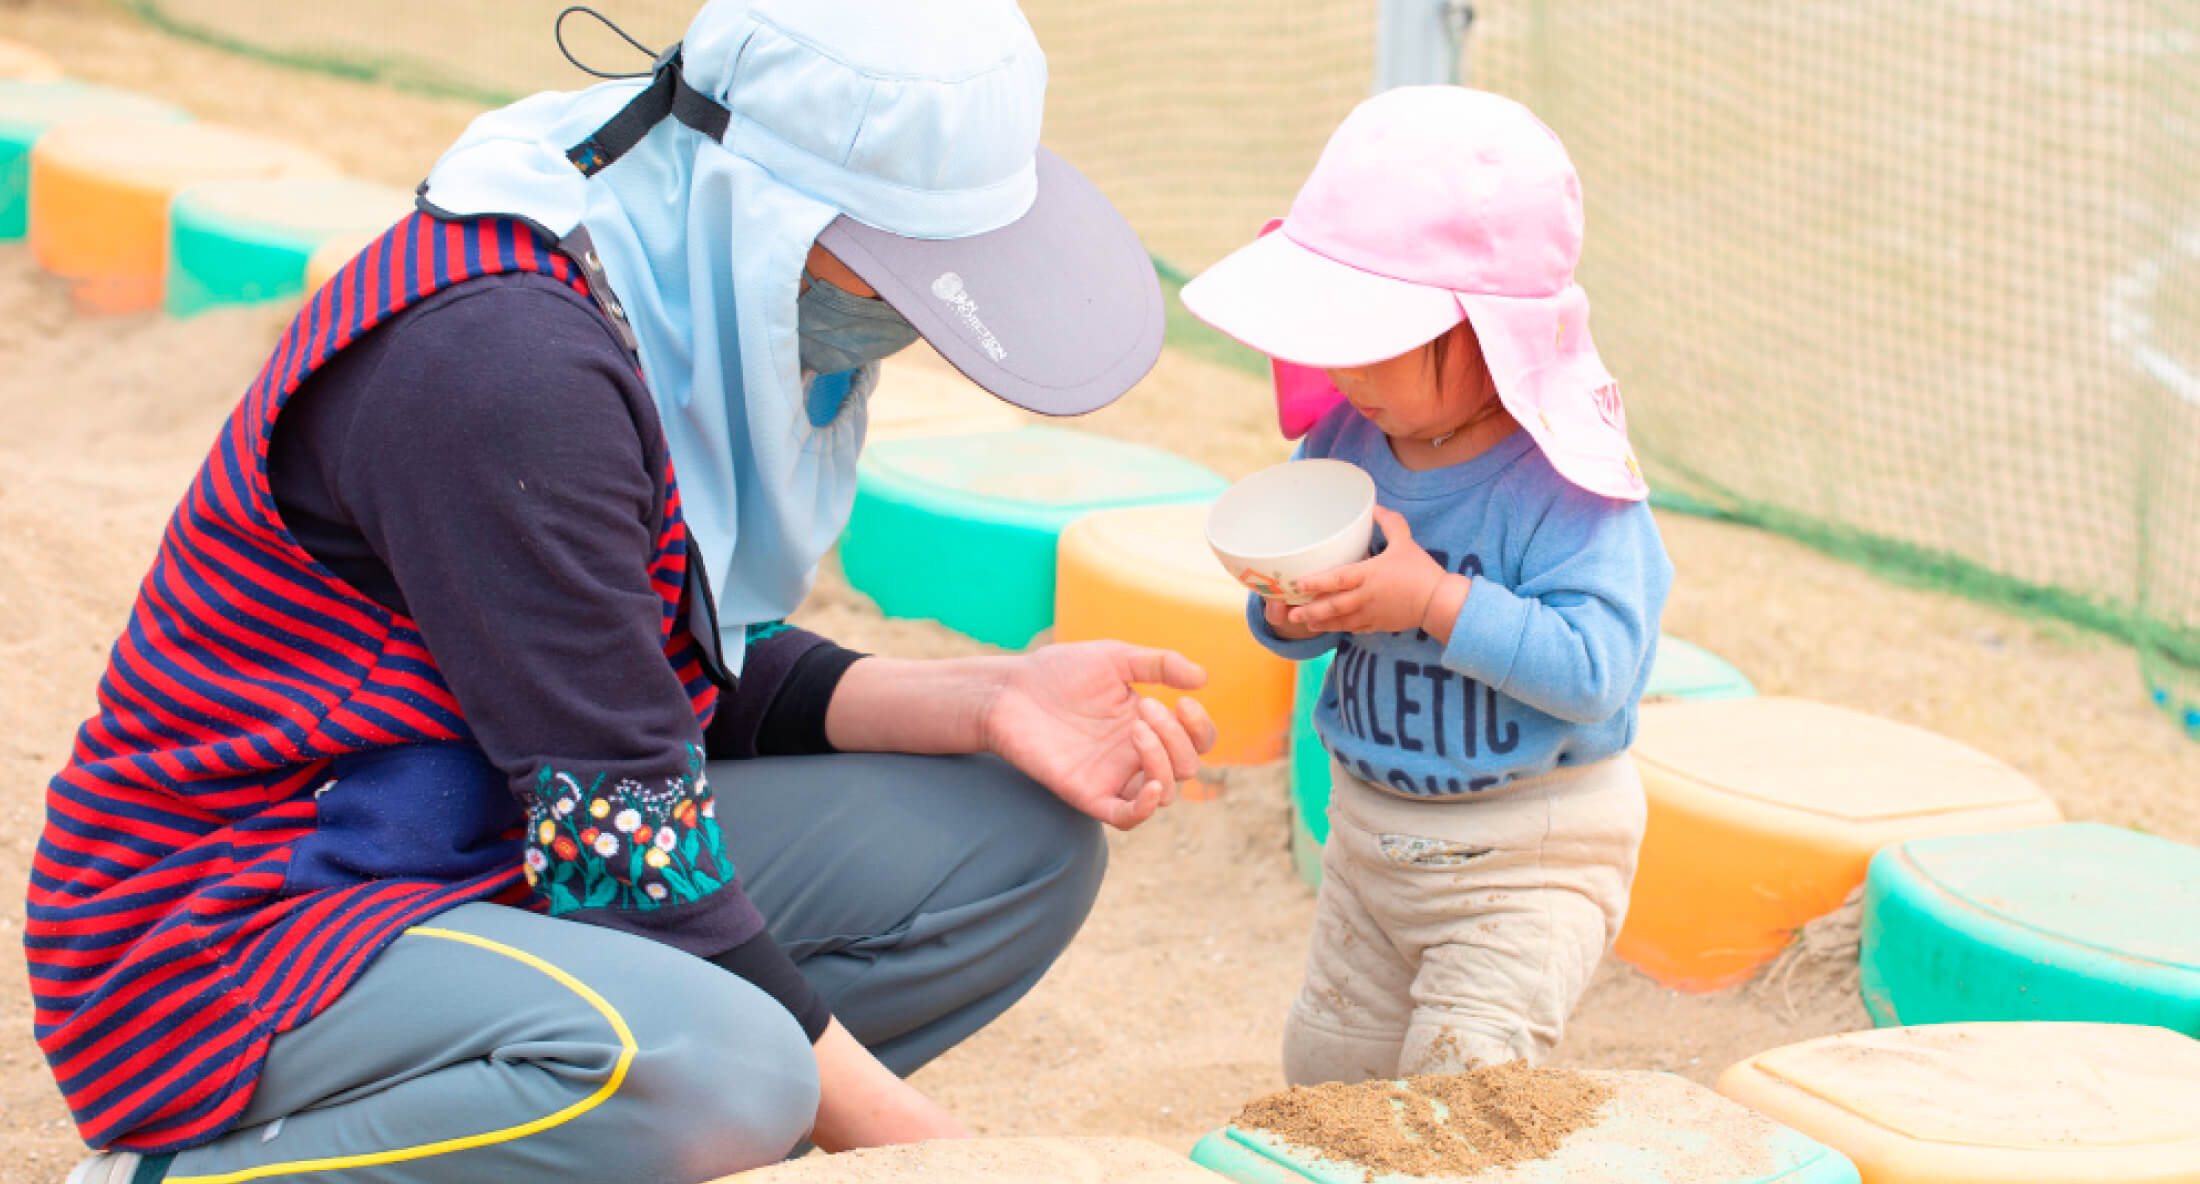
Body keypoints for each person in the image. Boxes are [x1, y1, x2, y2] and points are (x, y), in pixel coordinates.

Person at [32, 3, 1217, 1182]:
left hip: (488, 843)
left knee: (1010, 844)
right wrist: (959, 1161)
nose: (909, 313)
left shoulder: (656, 276)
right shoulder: (506, 362)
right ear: (763, 210)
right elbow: (624, 837)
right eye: (898, 267)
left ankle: (582, 1132)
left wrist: (989, 697)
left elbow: (646, 670)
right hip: (238, 920)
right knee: (728, 1069)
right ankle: (191, 1170)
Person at [1180, 86, 1674, 1084]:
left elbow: (1597, 672)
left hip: (1527, 853)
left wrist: (1433, 601)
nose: (1343, 364)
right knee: (1326, 1074)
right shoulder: (1349, 437)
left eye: (1376, 335)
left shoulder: (1570, 484)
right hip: (1367, 842)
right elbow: (1300, 631)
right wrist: (1288, 608)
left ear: (1489, 334)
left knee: (1463, 1087)